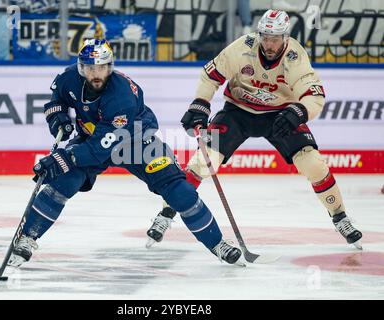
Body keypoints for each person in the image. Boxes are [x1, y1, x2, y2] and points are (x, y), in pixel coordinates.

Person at [7, 39, 244, 268]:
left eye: (102, 67)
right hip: (94, 137)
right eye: (90, 68)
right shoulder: (68, 78)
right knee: (64, 181)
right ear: (81, 68)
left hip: (136, 141)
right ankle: (28, 238)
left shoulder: (122, 96)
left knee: (179, 191)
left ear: (110, 67)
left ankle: (218, 244)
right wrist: (57, 117)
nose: (96, 74)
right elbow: (56, 100)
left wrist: (63, 159)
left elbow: (103, 146)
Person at [147, 9, 363, 250]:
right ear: (259, 34)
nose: (270, 44)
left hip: (279, 115)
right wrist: (201, 104)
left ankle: (340, 216)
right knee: (202, 161)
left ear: (285, 37)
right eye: (266, 37)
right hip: (238, 112)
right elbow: (211, 75)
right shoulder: (242, 47)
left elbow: (314, 95)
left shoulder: (294, 56)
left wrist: (299, 111)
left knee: (314, 164)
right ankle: (166, 214)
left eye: (276, 38)